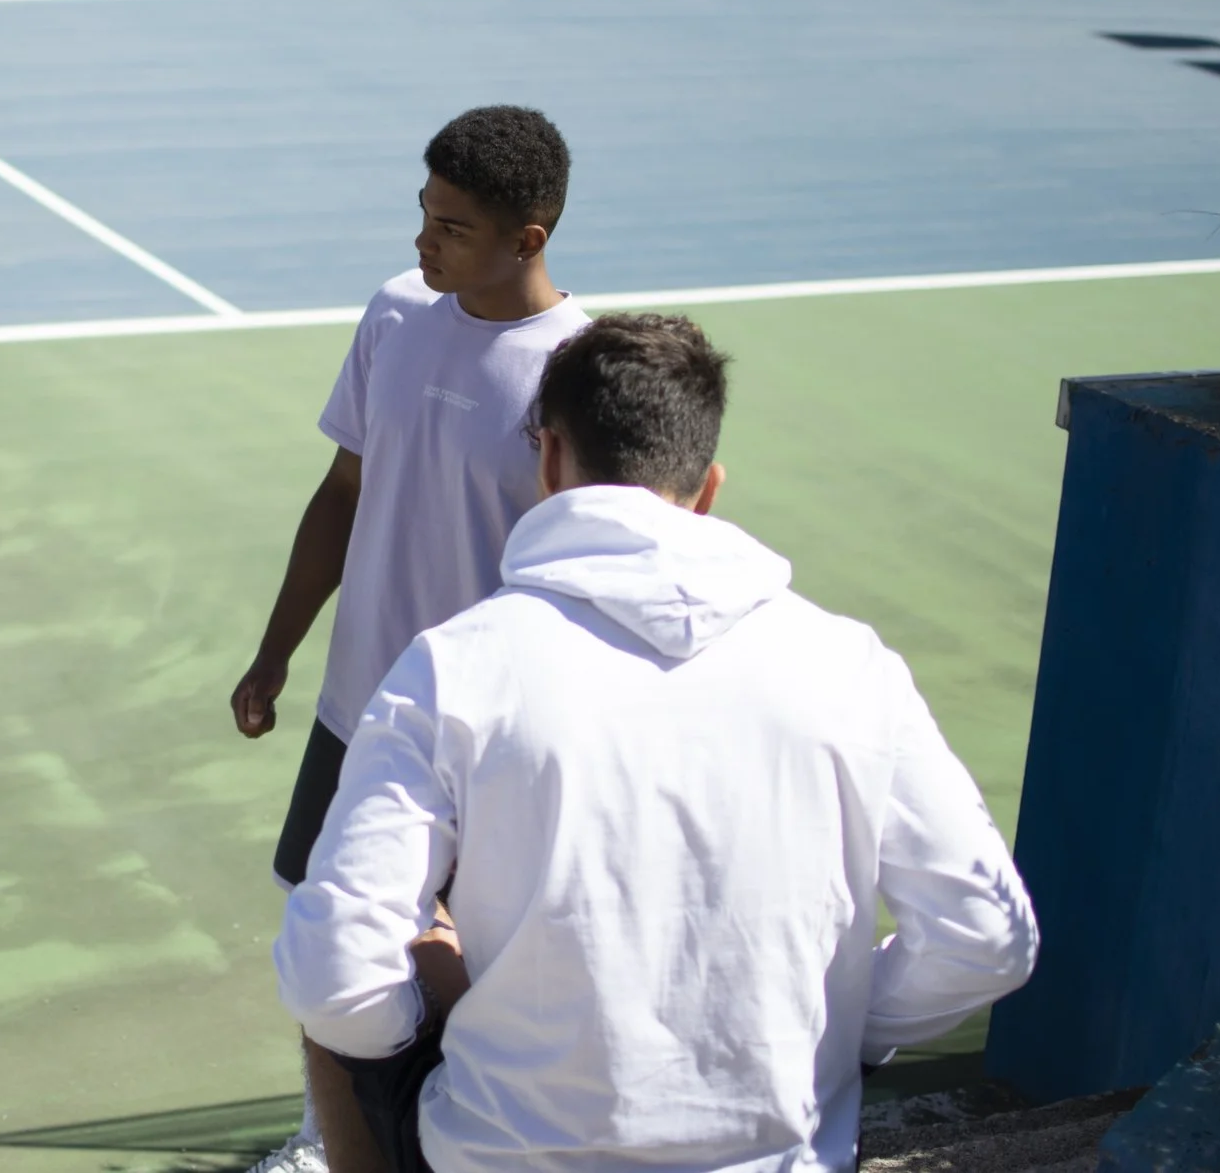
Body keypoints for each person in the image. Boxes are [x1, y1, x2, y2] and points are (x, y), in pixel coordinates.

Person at [276, 314, 1040, 1173]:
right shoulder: (851, 664)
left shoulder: (453, 667)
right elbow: (987, 939)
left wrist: (442, 1022)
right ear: (708, 487)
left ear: (550, 458)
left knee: (374, 950)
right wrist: (836, 1020)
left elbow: (335, 973)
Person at [232, 106, 592, 1173]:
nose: (423, 243)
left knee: (476, 953)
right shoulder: (395, 314)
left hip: (488, 732)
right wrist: (276, 649)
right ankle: (326, 1141)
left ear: (529, 239)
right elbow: (345, 487)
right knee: (335, 927)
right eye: (423, 215)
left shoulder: (576, 370)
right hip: (361, 707)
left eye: (452, 226)